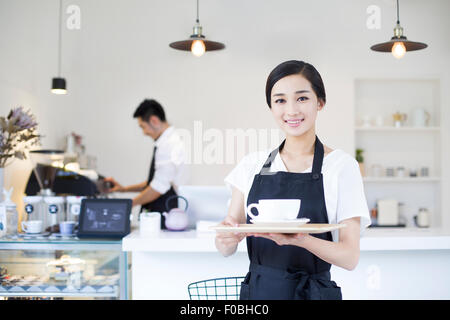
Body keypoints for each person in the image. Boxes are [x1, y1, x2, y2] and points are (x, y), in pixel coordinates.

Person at [215, 60, 371, 300]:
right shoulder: (251, 165)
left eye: (302, 98)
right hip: (259, 295)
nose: (291, 111)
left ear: (320, 102)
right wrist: (226, 238)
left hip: (313, 293)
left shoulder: (342, 166)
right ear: (271, 107)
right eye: (280, 100)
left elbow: (350, 257)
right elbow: (226, 247)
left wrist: (303, 240)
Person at [105, 99, 188, 229]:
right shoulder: (166, 142)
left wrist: (128, 204)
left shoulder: (169, 144)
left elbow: (158, 187)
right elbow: (154, 182)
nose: (144, 133)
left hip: (168, 216)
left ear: (154, 121)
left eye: (143, 126)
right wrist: (124, 190)